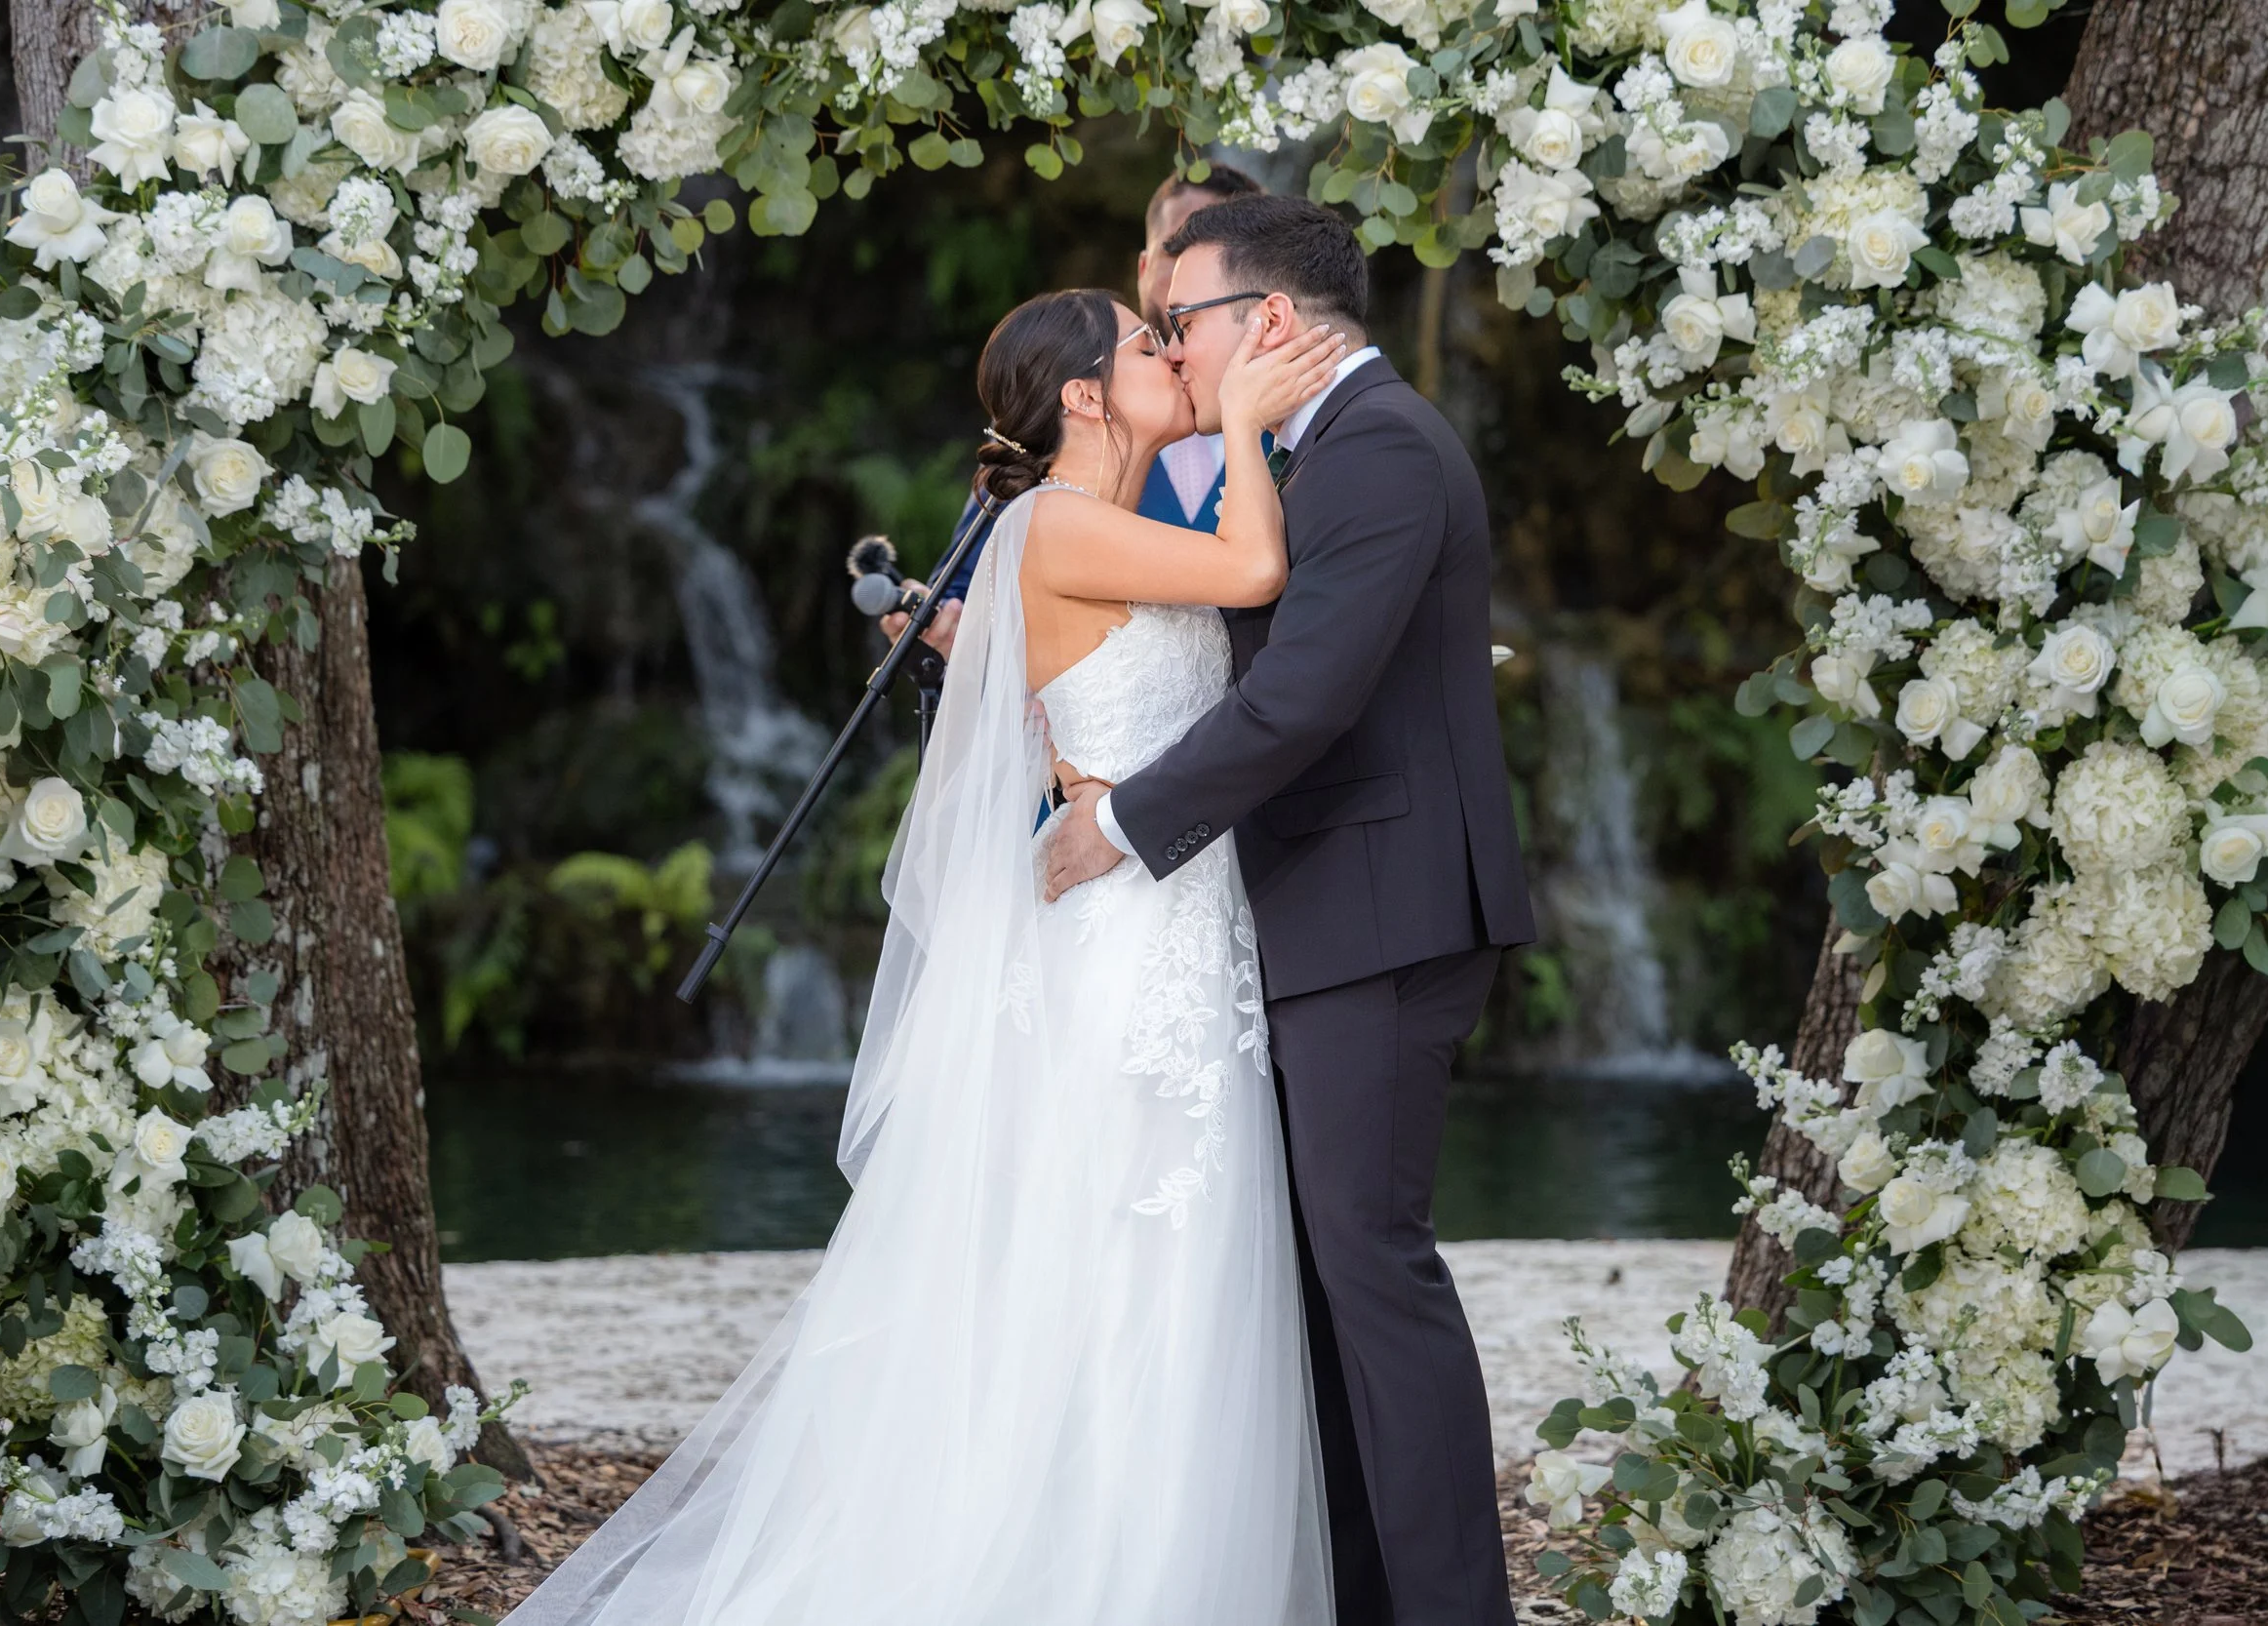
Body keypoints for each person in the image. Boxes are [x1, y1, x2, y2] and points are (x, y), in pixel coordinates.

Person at [505, 290, 1349, 1624]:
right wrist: (1247, 419)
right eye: (1146, 344)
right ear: (1083, 397)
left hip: (1179, 928)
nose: (1173, 356)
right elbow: (1255, 572)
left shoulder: (1095, 529)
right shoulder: (1060, 520)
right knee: (1129, 1261)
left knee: (1170, 1267)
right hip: (1129, 955)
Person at [1042, 193, 1538, 1626]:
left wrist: (1124, 827)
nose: (1170, 350)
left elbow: (1303, 696)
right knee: (1330, 1289)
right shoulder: (1314, 451)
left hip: (1380, 917)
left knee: (1374, 1275)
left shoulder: (1379, 450)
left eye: (1179, 320)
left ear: (1268, 321)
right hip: (1322, 915)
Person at [882, 161, 1263, 656]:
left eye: (1222, 256)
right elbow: (965, 600)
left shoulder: (1291, 415)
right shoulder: (1048, 477)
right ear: (1146, 268)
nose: (1198, 270)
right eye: (1180, 249)